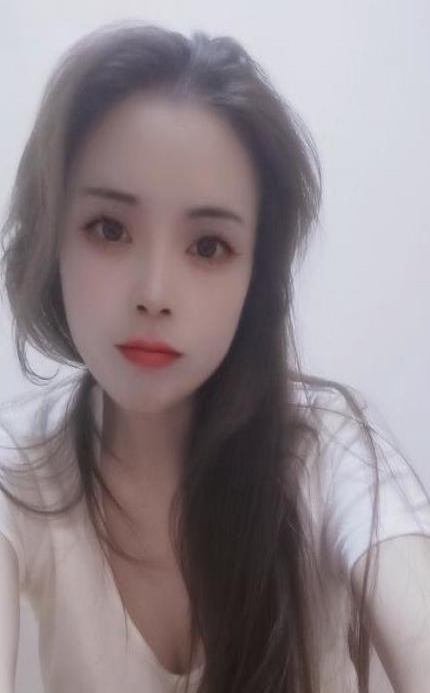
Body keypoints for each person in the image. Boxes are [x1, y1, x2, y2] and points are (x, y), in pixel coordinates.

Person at [0, 20, 429, 693]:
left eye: (207, 247)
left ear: (255, 277)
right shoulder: (22, 473)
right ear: (54, 240)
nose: (153, 294)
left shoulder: (331, 449)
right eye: (109, 229)